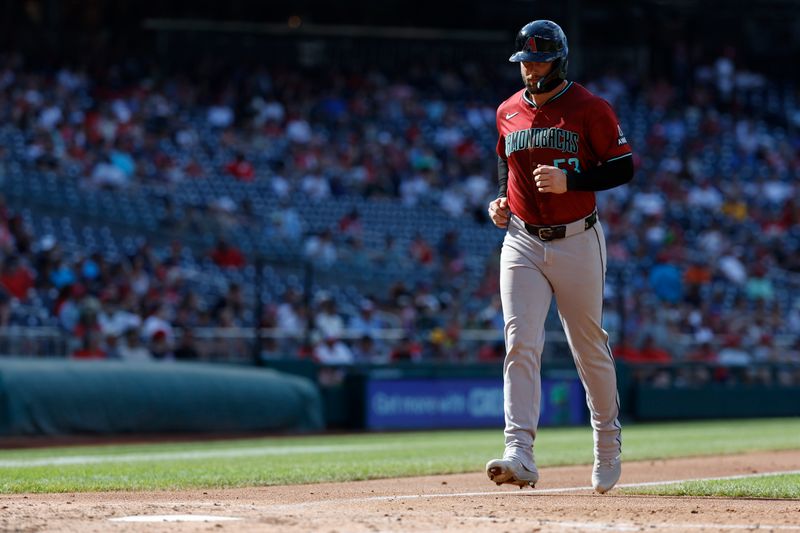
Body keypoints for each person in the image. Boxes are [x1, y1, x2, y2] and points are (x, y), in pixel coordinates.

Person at [485, 20, 634, 494]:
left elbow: (623, 167)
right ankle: (519, 452)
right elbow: (512, 168)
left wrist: (574, 183)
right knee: (519, 341)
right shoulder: (507, 111)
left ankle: (607, 442)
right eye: (525, 62)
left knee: (587, 345)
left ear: (559, 60)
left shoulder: (589, 108)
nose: (530, 70)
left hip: (577, 238)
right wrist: (502, 201)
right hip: (523, 240)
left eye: (539, 60)